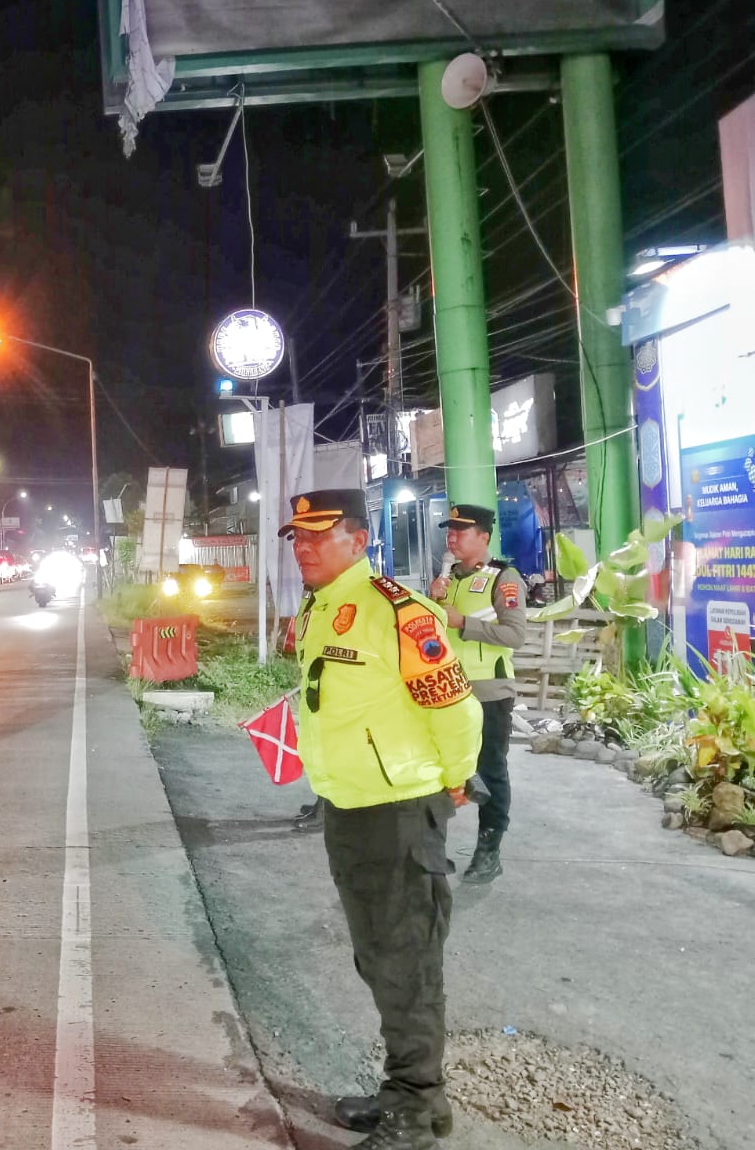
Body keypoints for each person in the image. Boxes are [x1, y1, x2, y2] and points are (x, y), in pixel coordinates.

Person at [280, 489, 483, 1149]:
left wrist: (455, 779)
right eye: (298, 537)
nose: (304, 547)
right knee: (378, 956)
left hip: (398, 810)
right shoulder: (320, 607)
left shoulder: (399, 612)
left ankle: (414, 1115)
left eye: (320, 534)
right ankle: (415, 1095)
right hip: (349, 804)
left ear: (359, 540)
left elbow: (455, 708)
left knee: (404, 959)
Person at [430, 503, 527, 883]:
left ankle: (489, 850)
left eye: (461, 531)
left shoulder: (503, 578)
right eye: (449, 530)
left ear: (483, 537)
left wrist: (463, 623)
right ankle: (431, 849)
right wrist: (432, 600)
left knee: (489, 772)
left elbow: (515, 635)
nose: (451, 537)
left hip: (488, 693)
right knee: (438, 769)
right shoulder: (448, 579)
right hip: (445, 691)